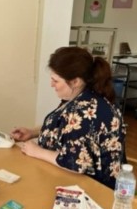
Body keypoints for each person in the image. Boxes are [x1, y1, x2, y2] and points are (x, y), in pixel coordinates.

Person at [11, 46, 126, 189]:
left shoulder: (84, 112)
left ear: (76, 82)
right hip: (65, 176)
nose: (51, 84)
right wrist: (32, 132)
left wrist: (36, 151)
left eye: (56, 81)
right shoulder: (82, 96)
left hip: (95, 189)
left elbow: (74, 163)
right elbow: (67, 128)